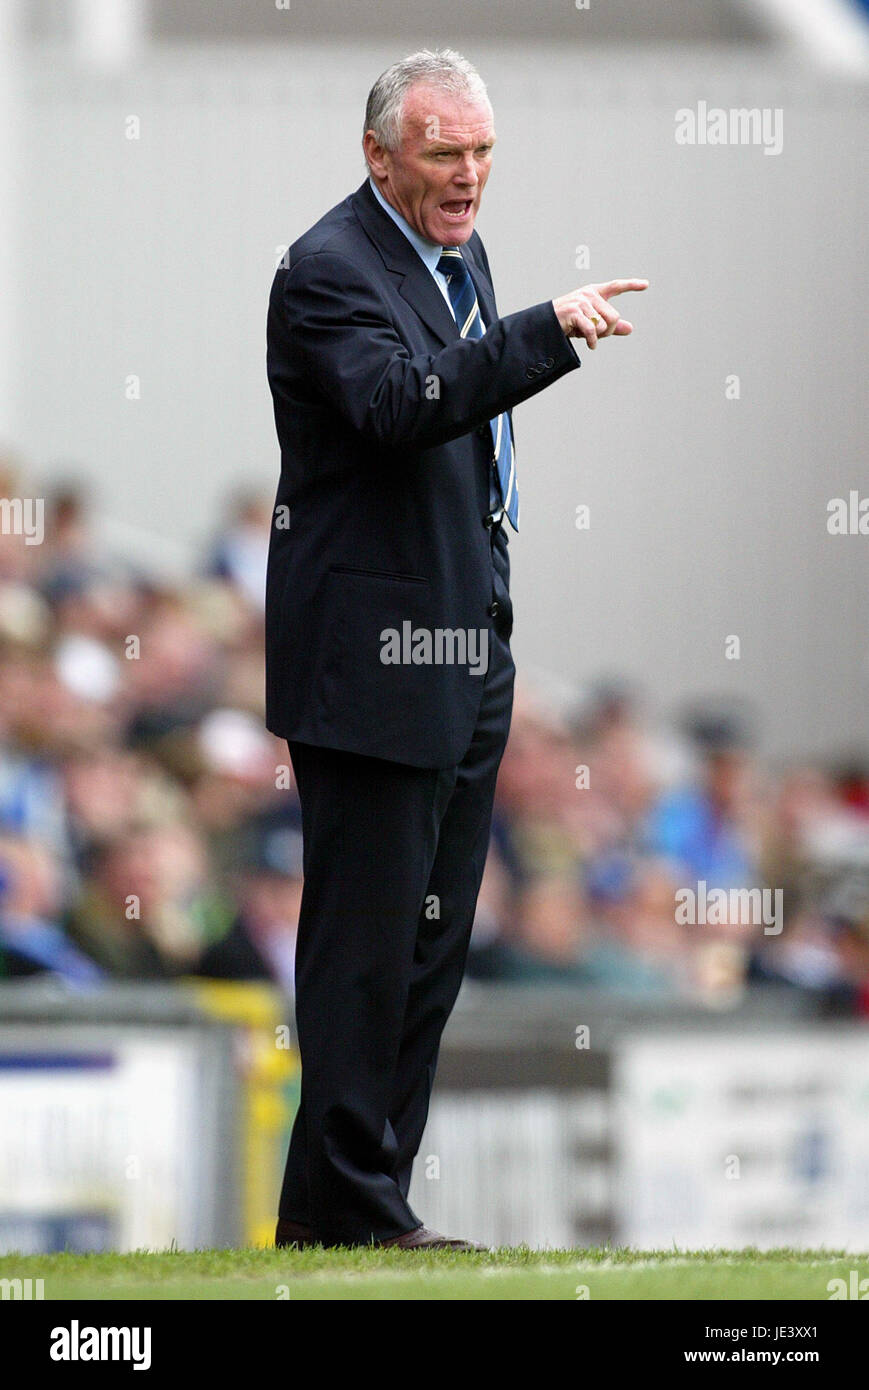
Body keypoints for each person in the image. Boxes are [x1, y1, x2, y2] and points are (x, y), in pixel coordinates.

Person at [265, 47, 647, 1250]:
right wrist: (544, 333)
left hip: (463, 650)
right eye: (442, 153)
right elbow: (399, 404)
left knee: (427, 955)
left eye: (481, 151)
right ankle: (355, 1212)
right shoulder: (327, 269)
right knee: (365, 951)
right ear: (378, 155)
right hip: (373, 662)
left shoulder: (453, 248)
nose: (469, 175)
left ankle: (348, 1211)